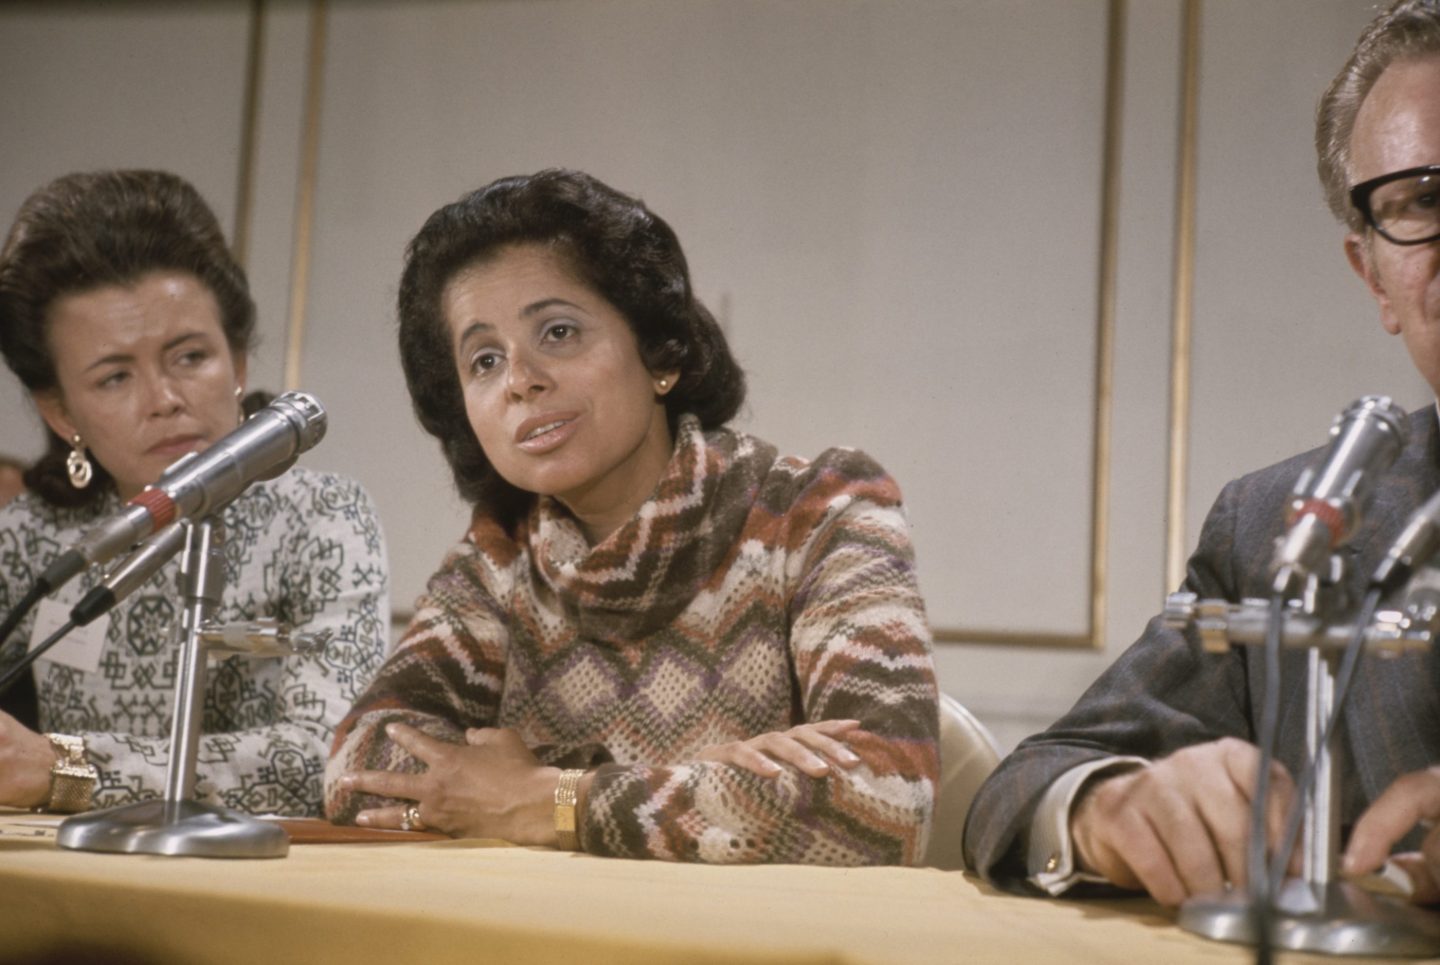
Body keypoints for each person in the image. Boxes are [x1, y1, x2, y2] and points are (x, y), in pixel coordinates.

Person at [964, 0, 1440, 907]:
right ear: (1374, 274)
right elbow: (1026, 786)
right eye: (1422, 201)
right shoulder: (1276, 527)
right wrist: (1113, 808)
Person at [325, 169, 939, 864]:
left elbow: (887, 800)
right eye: (485, 359)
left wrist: (552, 799)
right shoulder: (500, 557)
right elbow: (360, 763)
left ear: (660, 353)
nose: (521, 379)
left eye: (557, 332)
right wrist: (704, 782)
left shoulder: (820, 509)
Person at [0, 170, 389, 817]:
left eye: (189, 357)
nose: (165, 399)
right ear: (62, 411)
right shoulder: (34, 536)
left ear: (237, 363)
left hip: (259, 882)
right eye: (115, 376)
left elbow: (326, 756)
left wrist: (66, 769)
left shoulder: (322, 519)